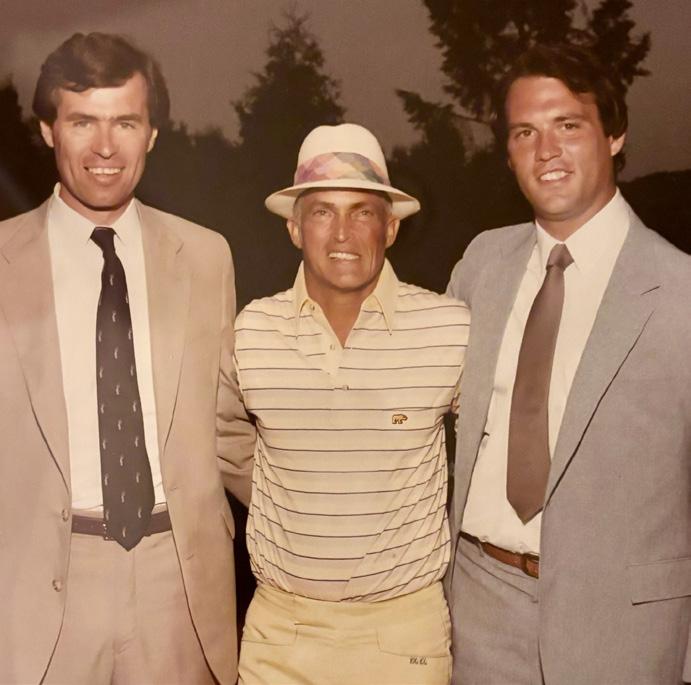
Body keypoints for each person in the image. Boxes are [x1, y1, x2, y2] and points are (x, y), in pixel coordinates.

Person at [0, 32, 254, 685]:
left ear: (152, 135)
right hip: (35, 589)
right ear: (48, 130)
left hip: (179, 584)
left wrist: (332, 511)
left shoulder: (205, 257)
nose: (106, 147)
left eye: (126, 122)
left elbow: (229, 430)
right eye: (82, 121)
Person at [446, 43, 691, 684]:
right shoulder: (480, 266)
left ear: (614, 134)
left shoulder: (681, 294)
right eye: (525, 132)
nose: (546, 150)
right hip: (478, 612)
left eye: (568, 125)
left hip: (626, 634)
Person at [234, 123, 469, 684]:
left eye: (362, 212)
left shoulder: (449, 327)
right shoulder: (251, 330)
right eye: (322, 212)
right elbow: (224, 445)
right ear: (295, 228)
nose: (343, 232)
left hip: (403, 635)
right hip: (279, 635)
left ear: (390, 227)